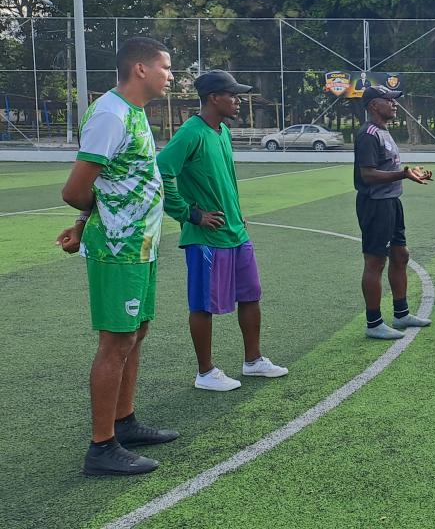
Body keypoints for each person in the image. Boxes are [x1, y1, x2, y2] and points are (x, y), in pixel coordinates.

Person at [57, 37, 179, 475]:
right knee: (116, 342)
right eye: (166, 67)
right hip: (118, 247)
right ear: (141, 69)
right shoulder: (109, 114)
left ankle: (123, 423)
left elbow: (113, 181)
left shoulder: (134, 112)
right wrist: (88, 223)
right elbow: (74, 190)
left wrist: (83, 222)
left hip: (140, 244)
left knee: (136, 332)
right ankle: (101, 446)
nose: (171, 75)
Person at [157, 70, 289, 391]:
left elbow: (226, 180)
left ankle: (253, 361)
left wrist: (237, 214)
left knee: (251, 295)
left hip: (235, 233)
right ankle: (205, 373)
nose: (239, 101)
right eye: (233, 95)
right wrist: (190, 214)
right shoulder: (191, 132)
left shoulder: (223, 132)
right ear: (214, 98)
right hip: (205, 237)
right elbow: (161, 172)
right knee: (203, 305)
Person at [352, 84, 433, 340]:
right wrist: (403, 174)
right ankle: (374, 322)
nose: (394, 104)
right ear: (374, 105)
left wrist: (411, 172)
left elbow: (390, 167)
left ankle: (401, 314)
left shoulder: (384, 132)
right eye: (389, 100)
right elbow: (368, 174)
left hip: (392, 202)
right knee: (375, 262)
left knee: (400, 255)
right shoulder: (368, 134)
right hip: (375, 205)